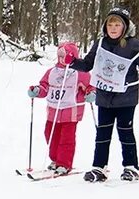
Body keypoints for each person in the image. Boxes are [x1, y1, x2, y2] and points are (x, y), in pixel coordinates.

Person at [65, 6, 139, 182]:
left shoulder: (134, 45)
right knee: (102, 133)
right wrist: (73, 62)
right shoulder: (100, 43)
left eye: (117, 25)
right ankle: (99, 167)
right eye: (110, 25)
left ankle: (131, 167)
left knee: (125, 131)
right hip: (104, 97)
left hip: (126, 97)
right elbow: (88, 64)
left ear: (125, 27)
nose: (113, 28)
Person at [26, 42, 95, 176]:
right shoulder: (52, 72)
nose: (62, 59)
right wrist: (36, 91)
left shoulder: (80, 73)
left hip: (71, 111)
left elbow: (90, 86)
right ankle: (56, 159)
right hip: (53, 112)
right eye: (60, 56)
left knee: (66, 139)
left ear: (72, 56)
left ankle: (64, 163)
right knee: (50, 135)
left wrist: (90, 93)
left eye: (65, 56)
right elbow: (44, 87)